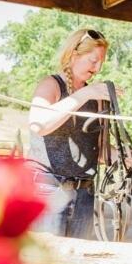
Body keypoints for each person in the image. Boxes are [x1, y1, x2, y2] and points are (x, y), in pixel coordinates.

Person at [27, 28, 112, 239]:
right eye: (93, 60)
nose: (98, 67)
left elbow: (100, 152)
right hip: (48, 189)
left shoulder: (97, 97)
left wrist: (128, 157)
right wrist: (86, 94)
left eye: (101, 62)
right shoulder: (51, 85)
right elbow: (39, 124)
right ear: (74, 55)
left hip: (84, 192)